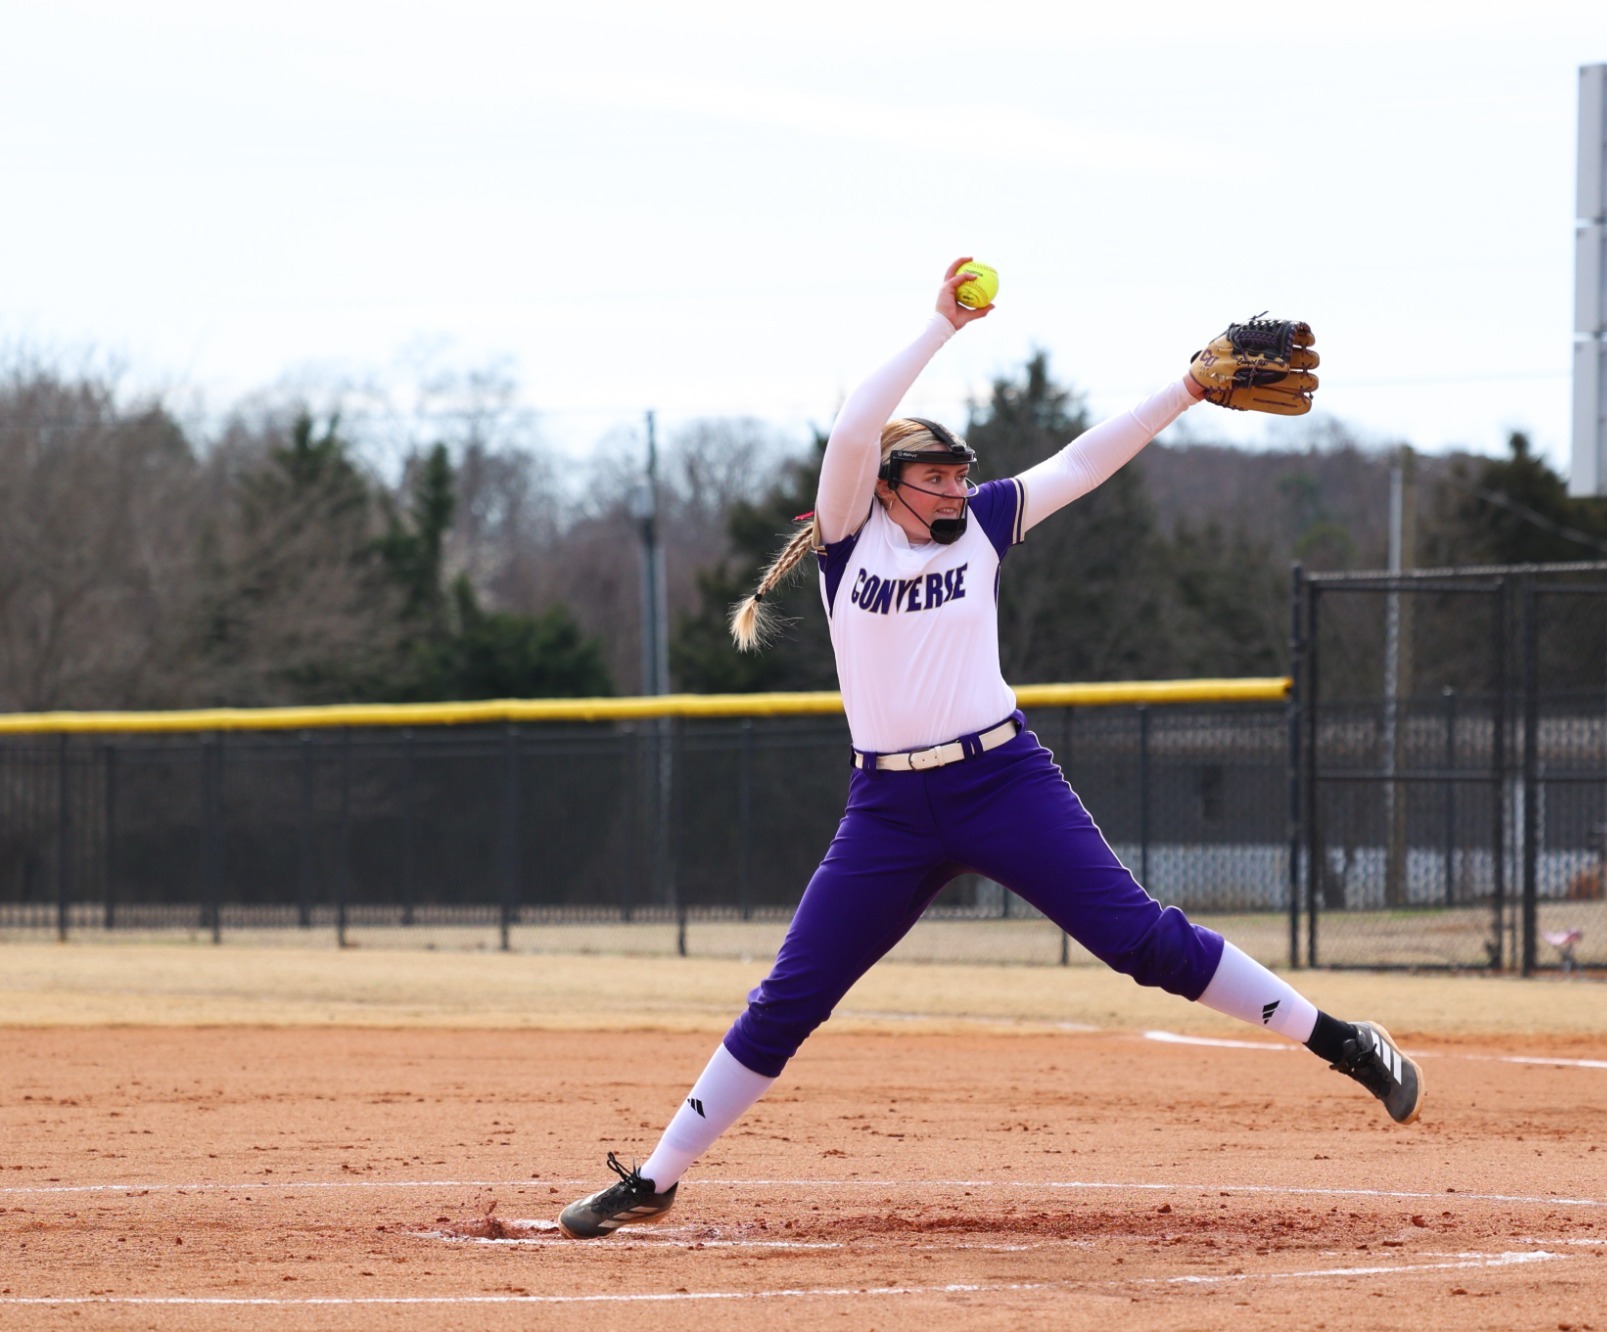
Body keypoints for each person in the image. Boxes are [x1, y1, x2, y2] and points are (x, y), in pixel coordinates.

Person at [555, 258, 1420, 1239]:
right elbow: (850, 431)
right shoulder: (852, 542)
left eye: (961, 473)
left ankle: (1344, 1042)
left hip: (1001, 779)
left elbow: (1086, 460)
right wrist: (939, 328)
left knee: (1140, 940)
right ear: (886, 491)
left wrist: (1182, 389)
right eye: (935, 476)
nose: (956, 487)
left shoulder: (984, 528)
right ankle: (658, 1178)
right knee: (791, 995)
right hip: (886, 809)